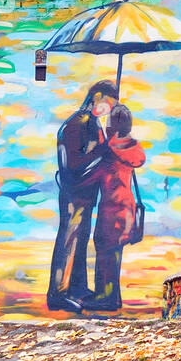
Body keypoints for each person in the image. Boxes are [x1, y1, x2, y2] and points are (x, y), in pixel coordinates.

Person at [47, 80, 118, 313]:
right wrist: (102, 151)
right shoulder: (75, 125)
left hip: (86, 195)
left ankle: (77, 288)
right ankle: (58, 294)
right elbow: (73, 165)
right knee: (69, 241)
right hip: (74, 194)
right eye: (107, 104)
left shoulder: (93, 124)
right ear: (95, 99)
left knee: (80, 240)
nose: (108, 109)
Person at [85, 103, 146, 311]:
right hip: (126, 207)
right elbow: (138, 158)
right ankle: (111, 297)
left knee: (104, 251)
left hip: (112, 208)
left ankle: (106, 298)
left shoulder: (110, 150)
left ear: (114, 126)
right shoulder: (131, 148)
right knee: (113, 254)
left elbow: (96, 172)